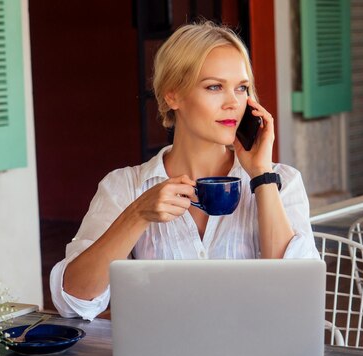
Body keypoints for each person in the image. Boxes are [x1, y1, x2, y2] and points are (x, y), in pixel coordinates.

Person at [50, 20, 319, 320]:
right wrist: (137, 215)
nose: (233, 102)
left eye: (241, 88)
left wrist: (262, 176)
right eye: (214, 87)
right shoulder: (124, 186)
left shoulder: (283, 182)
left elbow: (297, 298)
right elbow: (74, 301)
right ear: (172, 95)